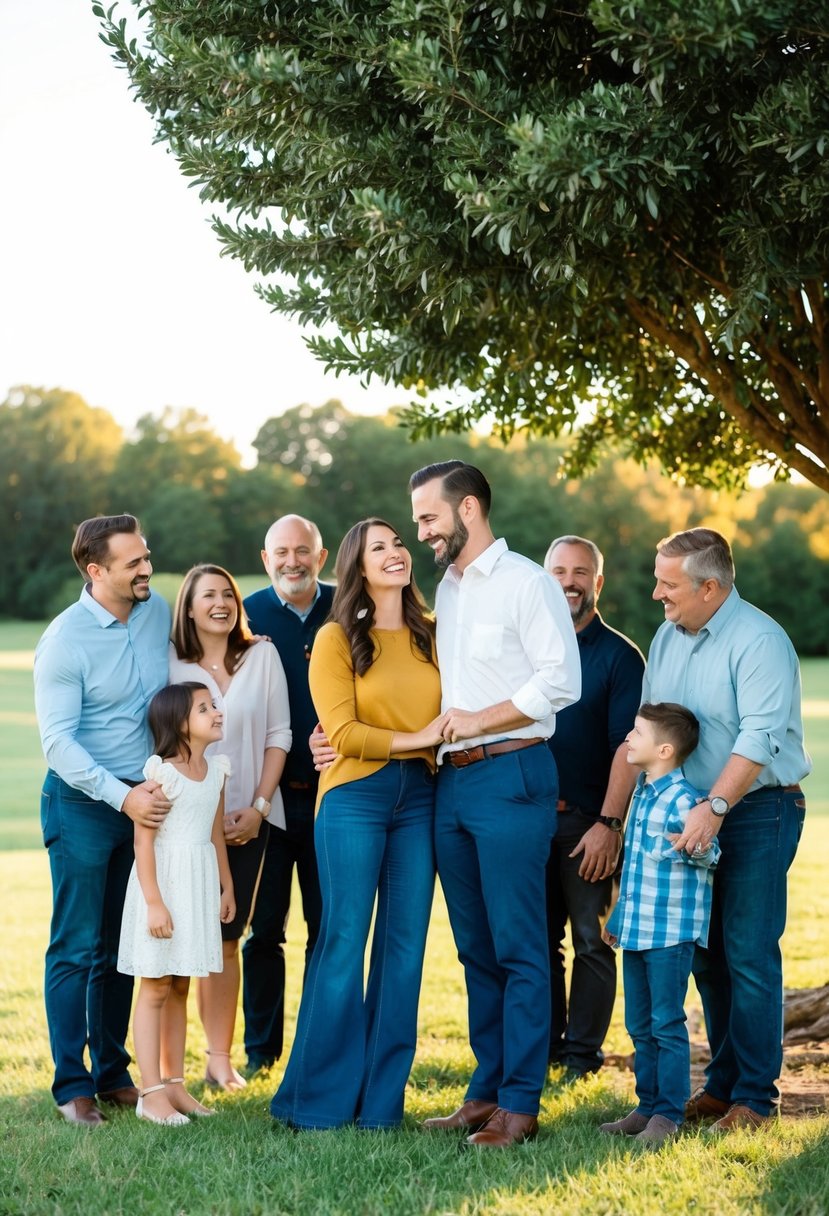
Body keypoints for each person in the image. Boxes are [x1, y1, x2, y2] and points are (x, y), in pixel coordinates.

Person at [410, 461, 581, 1149]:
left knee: (518, 946)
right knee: (475, 949)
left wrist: (481, 721)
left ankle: (520, 1103)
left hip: (511, 776)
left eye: (428, 517)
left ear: (469, 509)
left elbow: (559, 680)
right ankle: (485, 1092)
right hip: (449, 785)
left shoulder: (526, 583)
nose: (420, 531)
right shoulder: (447, 590)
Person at [270, 518, 445, 1129]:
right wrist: (420, 737)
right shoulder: (336, 637)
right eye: (380, 548)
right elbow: (341, 734)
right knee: (342, 942)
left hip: (421, 799)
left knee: (404, 950)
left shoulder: (433, 633)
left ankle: (378, 1107)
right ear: (356, 566)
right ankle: (312, 1103)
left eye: (399, 543)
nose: (396, 552)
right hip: (354, 798)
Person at [643, 527, 810, 1132]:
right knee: (707, 957)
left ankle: (757, 1101)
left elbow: (758, 740)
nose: (657, 594)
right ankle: (721, 1086)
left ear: (710, 587)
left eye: (669, 584)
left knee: (747, 954)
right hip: (690, 816)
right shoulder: (667, 637)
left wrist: (712, 809)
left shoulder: (759, 640)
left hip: (756, 813)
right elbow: (654, 729)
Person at [34, 514, 173, 1127]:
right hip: (86, 803)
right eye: (132, 563)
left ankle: (113, 1072)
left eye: (147, 556)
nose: (146, 568)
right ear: (95, 571)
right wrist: (122, 798)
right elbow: (58, 744)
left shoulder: (155, 609)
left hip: (144, 803)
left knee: (123, 945)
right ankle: (72, 1085)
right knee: (76, 945)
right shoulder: (65, 641)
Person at [169, 564, 291, 1090]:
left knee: (225, 937)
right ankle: (166, 1067)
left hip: (247, 817)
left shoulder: (261, 655)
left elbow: (279, 733)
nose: (219, 603)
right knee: (176, 943)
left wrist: (260, 806)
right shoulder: (169, 662)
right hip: (183, 823)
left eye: (227, 594)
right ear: (189, 608)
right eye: (207, 596)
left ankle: (220, 1060)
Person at [543, 536, 645, 1077]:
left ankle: (581, 1057)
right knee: (536, 943)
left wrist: (609, 824)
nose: (569, 581)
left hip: (588, 822)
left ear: (597, 582)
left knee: (591, 941)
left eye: (581, 571)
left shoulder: (620, 657)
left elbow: (628, 747)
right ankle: (544, 1050)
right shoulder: (525, 648)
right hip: (526, 820)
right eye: (558, 570)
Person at [600, 702, 719, 1146]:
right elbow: (634, 870)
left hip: (670, 933)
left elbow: (712, 854)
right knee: (638, 1022)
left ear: (664, 749)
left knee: (666, 1022)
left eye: (637, 733)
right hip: (637, 929)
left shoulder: (687, 801)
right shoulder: (643, 793)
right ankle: (646, 1106)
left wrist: (696, 846)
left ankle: (668, 1115)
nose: (628, 739)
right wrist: (617, 916)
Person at [117, 682, 235, 1125]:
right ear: (180, 725)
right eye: (205, 708)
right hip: (163, 886)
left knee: (182, 984)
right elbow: (142, 842)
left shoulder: (217, 771)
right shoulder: (162, 775)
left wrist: (226, 885)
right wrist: (154, 903)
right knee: (155, 987)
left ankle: (175, 1085)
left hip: (197, 887)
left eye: (214, 705)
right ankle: (150, 1093)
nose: (216, 713)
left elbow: (215, 832)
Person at [241, 515, 332, 1073]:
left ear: (321, 558)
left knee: (328, 932)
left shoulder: (348, 609)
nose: (292, 561)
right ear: (265, 556)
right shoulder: (244, 614)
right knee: (264, 931)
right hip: (267, 802)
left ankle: (321, 1047)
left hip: (333, 801)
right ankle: (260, 1053)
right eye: (282, 552)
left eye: (303, 551)